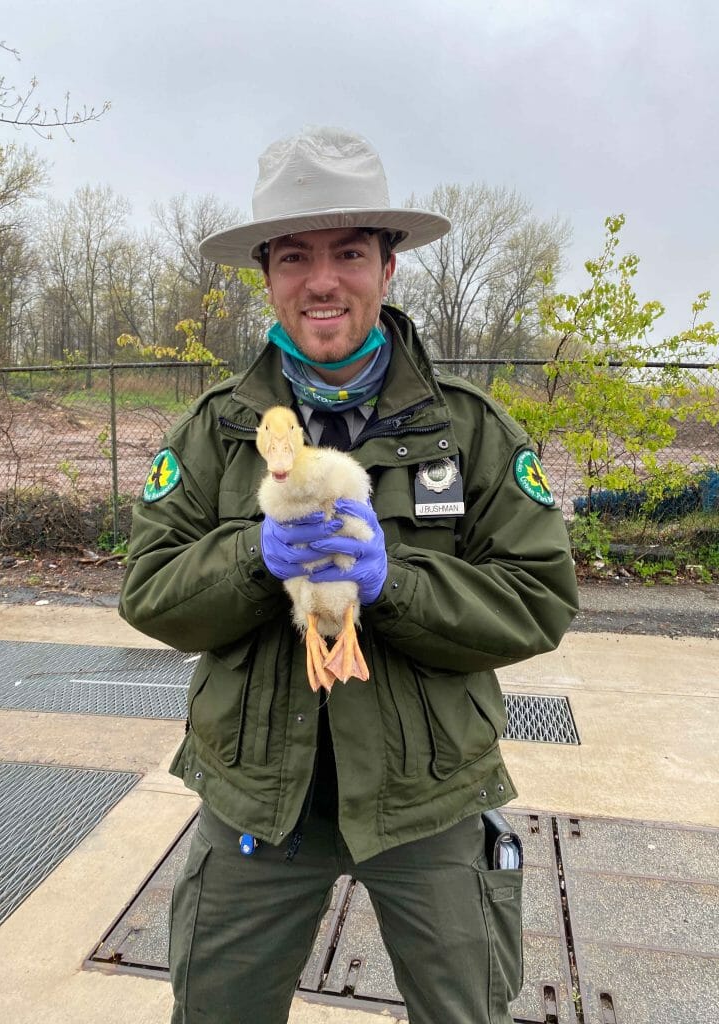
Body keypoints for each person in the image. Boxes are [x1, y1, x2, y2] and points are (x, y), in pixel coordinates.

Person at [119, 126, 578, 1024]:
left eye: (348, 252)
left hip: (430, 796)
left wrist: (391, 582)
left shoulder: (471, 431)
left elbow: (538, 599)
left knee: (465, 1011)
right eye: (294, 255)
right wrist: (254, 556)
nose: (321, 280)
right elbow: (150, 592)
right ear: (266, 275)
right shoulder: (214, 432)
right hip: (257, 795)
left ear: (389, 267)